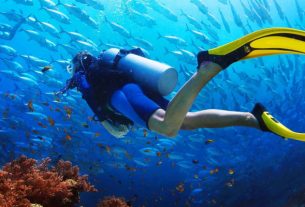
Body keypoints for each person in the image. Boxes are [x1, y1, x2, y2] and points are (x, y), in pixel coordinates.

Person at [59, 27, 305, 140]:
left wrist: (117, 128)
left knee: (168, 128)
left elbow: (109, 124)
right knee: (185, 121)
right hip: (137, 88)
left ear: (75, 65)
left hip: (122, 96)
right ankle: (253, 119)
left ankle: (208, 67)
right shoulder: (106, 64)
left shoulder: (82, 78)